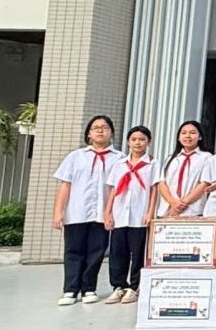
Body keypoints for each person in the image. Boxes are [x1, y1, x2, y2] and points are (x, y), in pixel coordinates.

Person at [51, 115, 119, 305]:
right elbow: (65, 185)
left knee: (96, 251)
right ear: (89, 133)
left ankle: (89, 288)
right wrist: (58, 212)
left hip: (102, 214)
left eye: (104, 127)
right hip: (76, 212)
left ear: (111, 133)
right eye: (96, 127)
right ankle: (70, 290)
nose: (100, 130)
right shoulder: (75, 157)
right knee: (73, 250)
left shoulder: (119, 159)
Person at [101, 124, 152, 304]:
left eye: (142, 139)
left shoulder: (152, 164)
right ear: (128, 142)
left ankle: (134, 286)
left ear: (148, 142)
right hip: (120, 214)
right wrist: (108, 213)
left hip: (139, 216)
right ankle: (118, 286)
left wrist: (150, 212)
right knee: (117, 252)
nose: (138, 143)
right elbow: (114, 190)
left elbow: (154, 190)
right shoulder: (120, 164)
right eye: (134, 139)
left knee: (138, 252)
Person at [154, 120, 208, 218]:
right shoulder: (171, 158)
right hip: (168, 211)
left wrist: (183, 204)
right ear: (179, 138)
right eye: (183, 133)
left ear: (200, 137)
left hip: (193, 212)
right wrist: (173, 202)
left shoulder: (207, 158)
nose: (187, 136)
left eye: (192, 133)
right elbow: (162, 183)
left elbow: (204, 183)